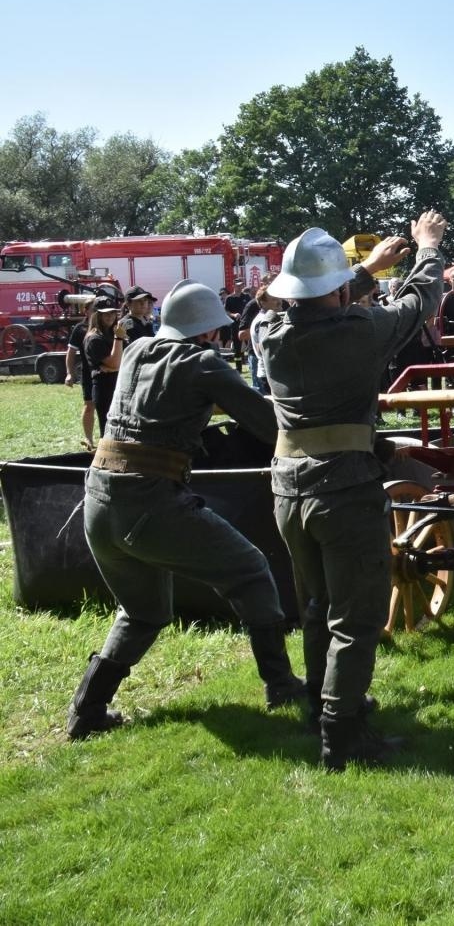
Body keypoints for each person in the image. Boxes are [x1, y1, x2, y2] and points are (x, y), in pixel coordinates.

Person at [64, 280, 301, 741]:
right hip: (152, 503)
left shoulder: (135, 351)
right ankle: (281, 685)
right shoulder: (204, 363)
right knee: (251, 571)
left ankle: (86, 710)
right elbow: (270, 426)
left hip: (98, 500)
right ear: (210, 331)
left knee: (142, 612)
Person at [257, 213, 447, 772]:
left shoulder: (266, 336)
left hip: (288, 489)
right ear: (338, 291)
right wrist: (426, 248)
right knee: (356, 617)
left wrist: (362, 271)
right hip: (345, 491)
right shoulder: (359, 331)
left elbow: (268, 307)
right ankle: (343, 737)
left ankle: (321, 711)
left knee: (316, 607)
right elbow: (420, 300)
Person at [83, 303, 125, 437]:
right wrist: (118, 338)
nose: (110, 316)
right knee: (108, 430)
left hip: (117, 384)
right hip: (105, 388)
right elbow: (114, 362)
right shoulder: (94, 338)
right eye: (105, 313)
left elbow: (126, 359)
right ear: (97, 315)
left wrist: (115, 367)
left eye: (112, 313)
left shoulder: (111, 333)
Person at [64, 312, 96, 449]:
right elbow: (71, 353)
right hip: (89, 374)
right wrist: (69, 373)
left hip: (109, 373)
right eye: (93, 308)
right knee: (89, 406)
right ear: (86, 310)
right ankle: (88, 439)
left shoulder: (110, 326)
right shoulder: (80, 329)